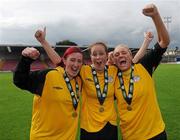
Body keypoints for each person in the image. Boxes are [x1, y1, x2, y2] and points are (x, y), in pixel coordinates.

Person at [113, 4, 170, 140]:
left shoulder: (143, 66)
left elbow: (164, 41)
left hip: (155, 134)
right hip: (130, 136)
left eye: (124, 52)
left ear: (131, 56)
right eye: (116, 54)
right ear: (113, 60)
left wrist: (155, 17)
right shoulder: (112, 76)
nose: (120, 55)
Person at [13, 46, 83, 140]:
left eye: (79, 61)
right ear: (65, 61)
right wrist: (26, 59)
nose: (76, 64)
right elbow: (20, 80)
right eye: (72, 60)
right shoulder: (48, 75)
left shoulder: (79, 80)